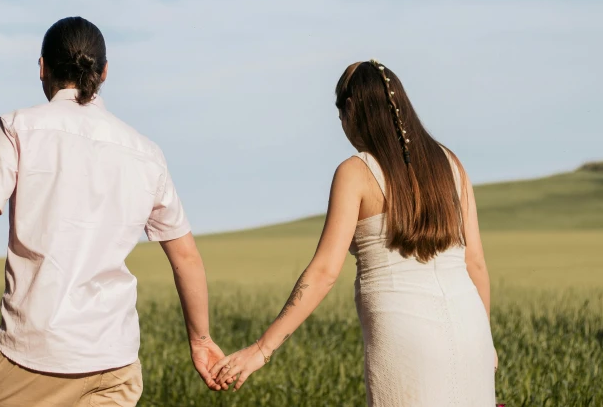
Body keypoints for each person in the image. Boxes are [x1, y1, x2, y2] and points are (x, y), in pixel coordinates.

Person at [0, 16, 225, 406]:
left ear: (42, 67)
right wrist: (201, 340)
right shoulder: (146, 153)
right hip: (115, 364)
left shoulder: (19, 128)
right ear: (104, 73)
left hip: (34, 357)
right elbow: (185, 255)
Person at [211, 59, 497, 405]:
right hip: (473, 334)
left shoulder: (356, 172)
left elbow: (324, 272)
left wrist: (261, 349)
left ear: (351, 109)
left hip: (406, 338)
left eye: (341, 117)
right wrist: (487, 344)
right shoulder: (451, 165)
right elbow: (476, 263)